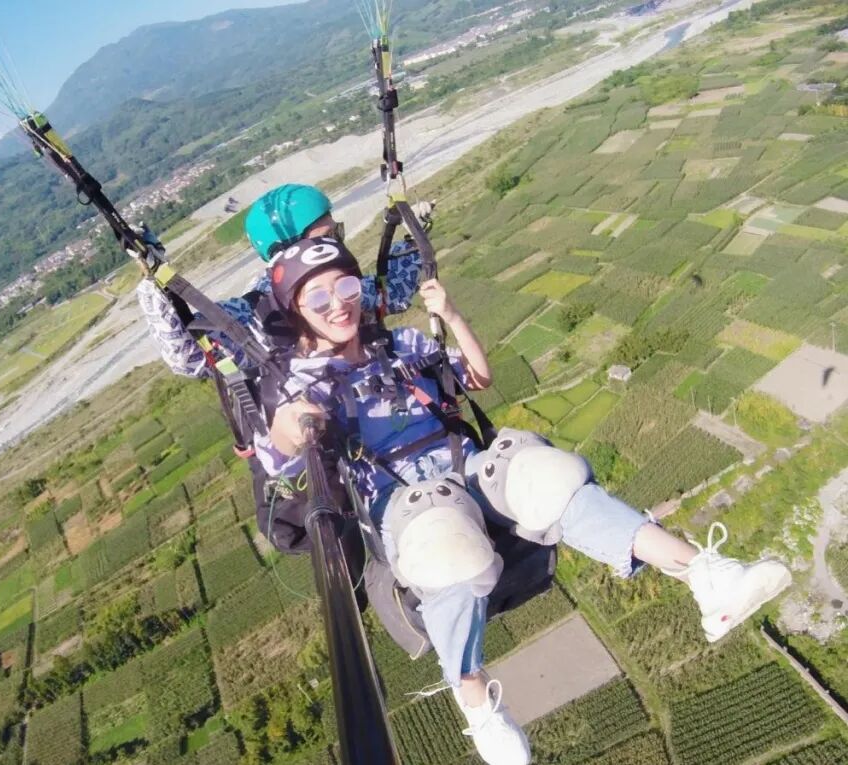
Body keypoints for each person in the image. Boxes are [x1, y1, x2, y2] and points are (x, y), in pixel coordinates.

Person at [258, 235, 792, 765]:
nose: (339, 304)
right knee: (443, 543)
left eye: (346, 287)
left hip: (467, 467)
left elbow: (477, 377)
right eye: (318, 297)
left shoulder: (403, 346)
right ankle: (478, 705)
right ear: (296, 313)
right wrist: (291, 427)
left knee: (549, 475)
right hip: (401, 500)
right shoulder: (300, 384)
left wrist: (452, 316)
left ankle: (707, 577)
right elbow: (279, 455)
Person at [136, 183, 423, 379]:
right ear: (289, 250)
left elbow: (391, 293)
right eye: (327, 238)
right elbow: (186, 356)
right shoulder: (257, 315)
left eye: (337, 234)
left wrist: (414, 240)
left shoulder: (341, 289)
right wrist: (155, 282)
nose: (336, 245)